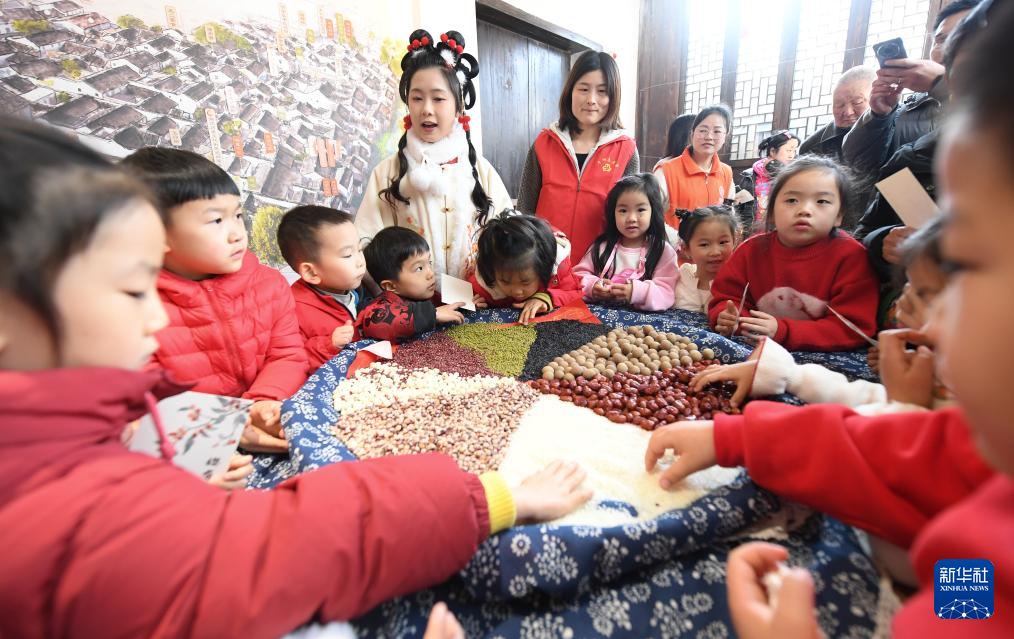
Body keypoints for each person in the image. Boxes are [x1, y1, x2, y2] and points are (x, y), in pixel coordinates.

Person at [0, 117, 594, 638]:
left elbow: (274, 360)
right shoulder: (62, 511)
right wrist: (489, 497)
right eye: (134, 289)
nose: (154, 315)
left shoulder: (67, 445)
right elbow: (289, 542)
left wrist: (238, 413)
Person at [646, 3, 1014, 634]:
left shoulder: (981, 562)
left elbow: (960, 608)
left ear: (840, 213)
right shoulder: (985, 456)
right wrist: (738, 439)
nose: (918, 323)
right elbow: (902, 449)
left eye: (969, 262)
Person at [122, 147, 308, 454]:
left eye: (238, 215)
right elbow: (140, 403)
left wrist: (263, 402)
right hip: (191, 447)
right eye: (216, 221)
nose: (237, 234)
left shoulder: (269, 285)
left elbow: (287, 354)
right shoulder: (133, 310)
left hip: (268, 416)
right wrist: (229, 426)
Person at [355, 29, 511, 282]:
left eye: (438, 98)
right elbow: (366, 243)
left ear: (459, 106)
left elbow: (510, 240)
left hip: (477, 298)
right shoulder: (387, 173)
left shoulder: (481, 172)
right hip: (409, 303)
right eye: (417, 98)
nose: (426, 109)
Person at [709, 156, 879, 351]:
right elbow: (726, 298)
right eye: (792, 200)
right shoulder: (751, 251)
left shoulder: (851, 257)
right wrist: (730, 318)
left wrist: (783, 331)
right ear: (771, 212)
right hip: (754, 348)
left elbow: (852, 327)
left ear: (839, 216)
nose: (804, 210)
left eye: (822, 201)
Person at [516, 50, 639, 262]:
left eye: (602, 91)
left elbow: (631, 216)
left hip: (599, 269)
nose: (591, 100)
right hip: (545, 264)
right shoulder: (544, 143)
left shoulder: (626, 150)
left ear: (613, 97)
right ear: (570, 91)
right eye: (583, 89)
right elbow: (525, 208)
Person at [841, 0, 977, 180]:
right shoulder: (908, 110)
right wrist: (879, 117)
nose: (947, 47)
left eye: (962, 36)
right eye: (941, 40)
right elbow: (859, 165)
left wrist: (941, 84)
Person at [277, 206, 367, 370]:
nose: (360, 261)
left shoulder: (352, 289)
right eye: (348, 254)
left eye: (360, 249)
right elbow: (292, 360)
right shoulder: (294, 311)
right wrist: (330, 344)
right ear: (311, 272)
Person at [572, 174, 678, 312]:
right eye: (623, 210)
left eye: (640, 210)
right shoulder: (601, 247)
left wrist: (637, 292)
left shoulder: (662, 251)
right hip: (598, 317)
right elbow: (576, 277)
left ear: (653, 211)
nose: (631, 218)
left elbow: (667, 292)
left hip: (644, 322)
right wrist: (592, 287)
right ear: (613, 213)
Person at [469, 213, 582, 324]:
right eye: (505, 282)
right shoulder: (485, 281)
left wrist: (547, 297)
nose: (517, 291)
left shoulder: (558, 270)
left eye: (525, 282)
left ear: (543, 270)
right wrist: (477, 303)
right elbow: (471, 293)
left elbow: (574, 291)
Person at [358, 226, 465, 342]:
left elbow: (446, 310)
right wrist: (433, 314)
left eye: (429, 262)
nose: (431, 273)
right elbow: (377, 324)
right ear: (391, 286)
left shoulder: (427, 294)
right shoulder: (380, 308)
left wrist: (466, 303)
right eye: (419, 268)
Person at [653, 105, 735, 231]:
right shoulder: (665, 171)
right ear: (692, 134)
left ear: (725, 137)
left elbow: (729, 215)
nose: (709, 136)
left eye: (717, 131)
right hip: (674, 243)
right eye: (703, 130)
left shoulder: (726, 173)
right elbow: (651, 214)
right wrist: (677, 240)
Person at [797, 66, 875, 161]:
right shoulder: (812, 146)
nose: (848, 112)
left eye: (857, 102)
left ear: (878, 100)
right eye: (839, 105)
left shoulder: (890, 134)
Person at [672, 206, 739, 313]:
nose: (715, 252)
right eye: (704, 244)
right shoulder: (680, 278)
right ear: (686, 248)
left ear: (734, 241)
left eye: (723, 242)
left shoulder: (738, 284)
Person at [751, 130, 800, 227]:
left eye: (794, 151)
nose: (792, 155)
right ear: (773, 151)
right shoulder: (751, 175)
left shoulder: (793, 175)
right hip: (756, 228)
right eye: (788, 150)